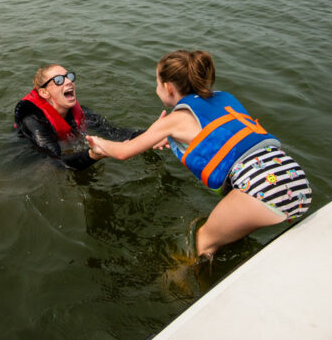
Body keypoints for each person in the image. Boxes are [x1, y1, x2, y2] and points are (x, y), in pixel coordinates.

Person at [86, 50, 311, 258]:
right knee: (232, 235)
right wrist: (171, 137)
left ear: (168, 88)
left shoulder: (175, 119)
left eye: (157, 82)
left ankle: (185, 289)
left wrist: (99, 144)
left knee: (202, 241)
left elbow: (124, 152)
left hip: (262, 188)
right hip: (294, 178)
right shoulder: (225, 98)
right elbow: (223, 136)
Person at [14, 64, 139, 170]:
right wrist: (93, 155)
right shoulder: (32, 120)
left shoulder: (78, 112)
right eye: (58, 80)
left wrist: (152, 134)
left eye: (69, 76)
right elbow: (57, 160)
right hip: (25, 158)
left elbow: (113, 132)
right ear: (44, 93)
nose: (69, 81)